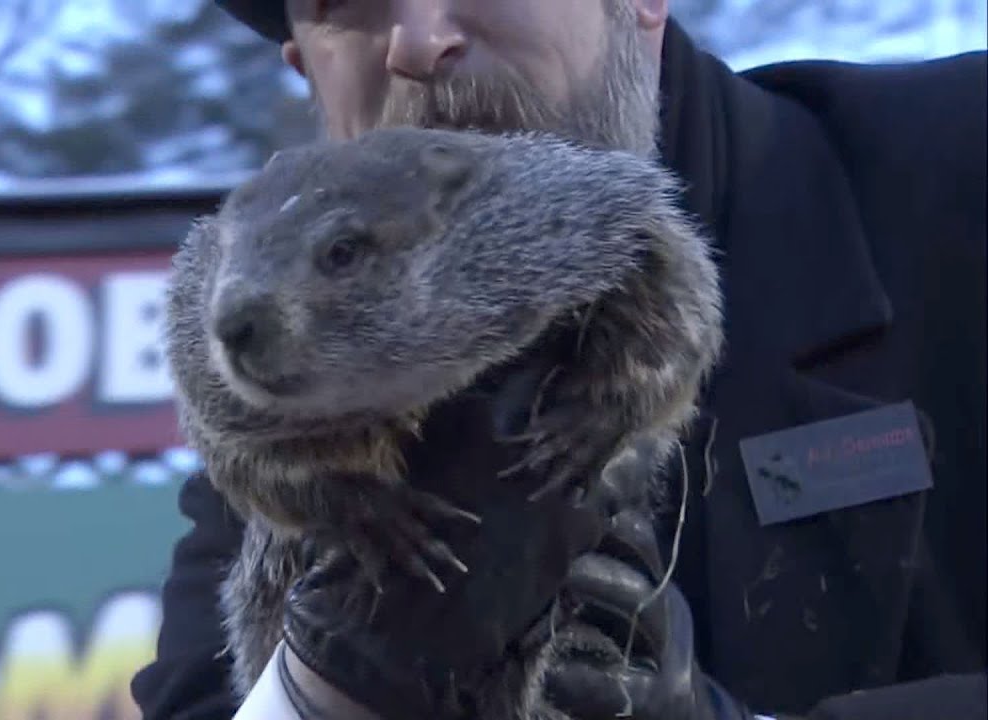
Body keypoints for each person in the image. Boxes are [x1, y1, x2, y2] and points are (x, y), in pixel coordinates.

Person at [131, 1, 987, 718]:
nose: (418, 41)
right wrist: (334, 680)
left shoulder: (955, 167)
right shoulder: (291, 405)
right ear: (309, 77)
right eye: (344, 2)